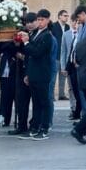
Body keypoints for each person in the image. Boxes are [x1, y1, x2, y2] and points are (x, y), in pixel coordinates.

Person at [19, 8, 54, 140]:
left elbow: (37, 52)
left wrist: (27, 42)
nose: (40, 22)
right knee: (36, 102)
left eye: (42, 20)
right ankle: (34, 127)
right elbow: (29, 57)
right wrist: (28, 74)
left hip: (42, 74)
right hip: (33, 74)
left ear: (47, 20)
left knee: (44, 102)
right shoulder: (35, 34)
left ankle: (44, 128)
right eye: (38, 19)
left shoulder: (47, 36)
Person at [51, 10, 70, 100]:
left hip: (64, 56)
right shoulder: (54, 26)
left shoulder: (67, 27)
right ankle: (51, 95)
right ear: (59, 16)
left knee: (63, 76)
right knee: (53, 76)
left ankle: (61, 94)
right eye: (64, 15)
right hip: (55, 55)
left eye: (67, 16)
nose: (66, 17)